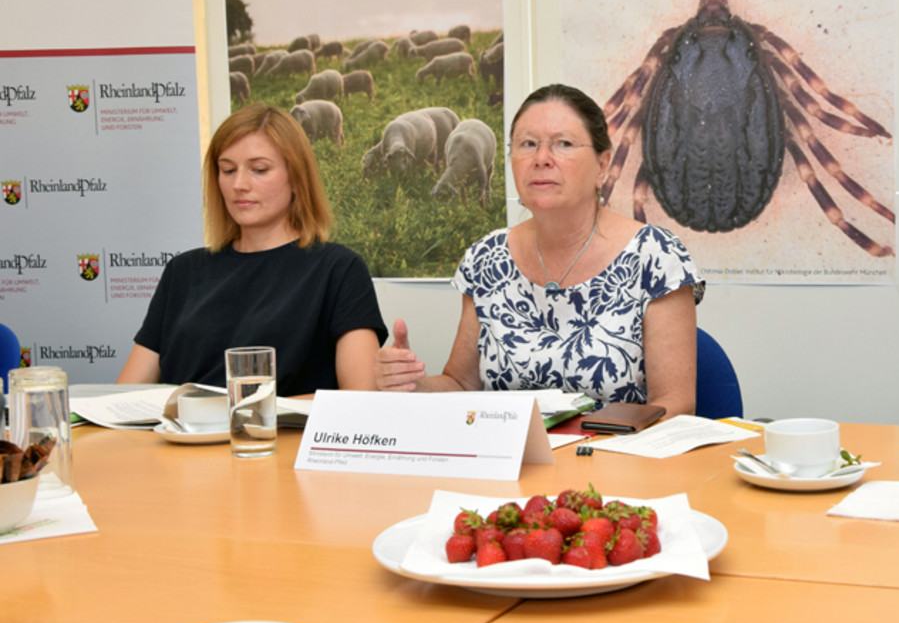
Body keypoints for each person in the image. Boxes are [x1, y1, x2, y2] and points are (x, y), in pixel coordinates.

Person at [375, 84, 702, 418]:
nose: (541, 159)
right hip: (515, 465)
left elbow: (675, 404)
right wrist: (409, 385)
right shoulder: (487, 259)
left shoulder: (655, 256)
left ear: (602, 166)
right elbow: (461, 385)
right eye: (528, 144)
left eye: (563, 144)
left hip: (617, 460)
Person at [117, 103, 388, 396]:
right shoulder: (182, 271)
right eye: (228, 170)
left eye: (259, 169)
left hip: (277, 442)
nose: (239, 184)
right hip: (173, 440)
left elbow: (359, 396)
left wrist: (241, 413)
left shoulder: (339, 270)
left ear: (296, 177)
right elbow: (126, 396)